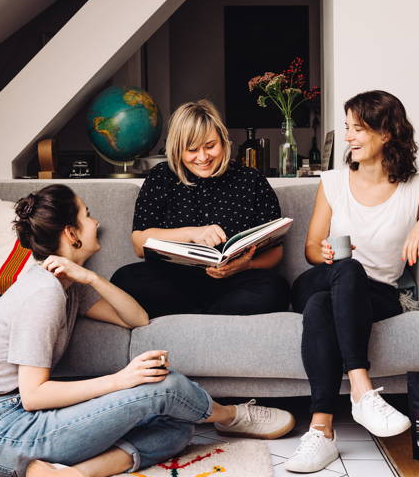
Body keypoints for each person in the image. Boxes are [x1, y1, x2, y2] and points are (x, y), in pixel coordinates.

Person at [0, 184, 295, 477]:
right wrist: (122, 380)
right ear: (71, 233)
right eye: (87, 215)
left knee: (177, 428)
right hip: (1, 429)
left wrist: (90, 277)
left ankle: (69, 473)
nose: (97, 222)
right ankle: (230, 416)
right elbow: (34, 396)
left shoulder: (68, 282)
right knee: (164, 385)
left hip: (10, 432)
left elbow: (136, 318)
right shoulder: (43, 293)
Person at [284, 90, 419, 473]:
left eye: (359, 129)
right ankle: (362, 390)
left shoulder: (417, 187)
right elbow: (309, 250)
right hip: (320, 279)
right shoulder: (333, 182)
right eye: (348, 128)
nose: (349, 137)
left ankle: (321, 432)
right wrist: (329, 255)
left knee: (326, 306)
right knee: (345, 271)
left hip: (376, 293)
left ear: (387, 133)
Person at [111, 99, 289, 318]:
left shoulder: (251, 180)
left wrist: (244, 266)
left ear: (223, 141)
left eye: (210, 146)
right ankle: (213, 318)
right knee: (125, 278)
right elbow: (140, 244)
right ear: (177, 149)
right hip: (174, 283)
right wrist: (193, 233)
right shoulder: (160, 177)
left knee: (275, 287)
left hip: (234, 281)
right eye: (192, 150)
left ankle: (196, 319)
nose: (203, 157)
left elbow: (276, 252)